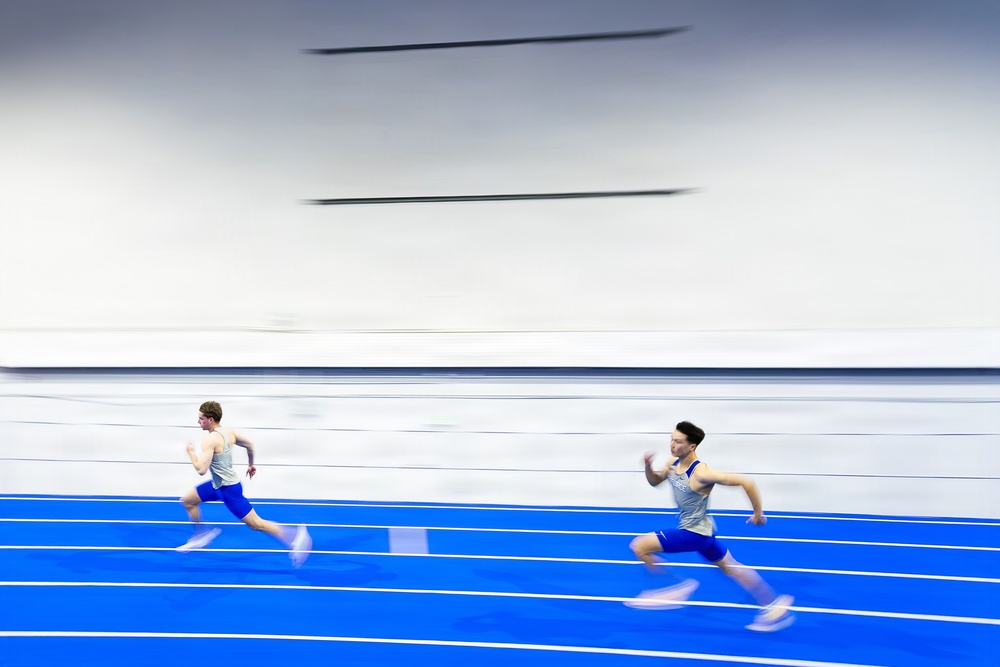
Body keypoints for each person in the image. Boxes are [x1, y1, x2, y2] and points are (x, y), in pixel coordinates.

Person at [625, 420, 794, 632]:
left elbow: (747, 482)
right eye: (671, 440)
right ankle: (773, 605)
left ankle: (675, 586)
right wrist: (649, 467)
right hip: (704, 533)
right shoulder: (672, 463)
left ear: (692, 446)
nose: (672, 445)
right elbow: (655, 481)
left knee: (639, 546)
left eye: (678, 442)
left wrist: (758, 513)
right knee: (732, 568)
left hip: (693, 533)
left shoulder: (701, 473)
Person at [177, 400, 312, 568]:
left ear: (210, 420)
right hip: (217, 486)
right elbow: (249, 445)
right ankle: (200, 534)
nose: (198, 422)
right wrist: (251, 464)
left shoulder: (209, 440)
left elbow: (201, 469)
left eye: (201, 418)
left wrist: (191, 453)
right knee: (188, 500)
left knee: (257, 524)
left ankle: (295, 537)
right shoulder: (229, 432)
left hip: (228, 491)